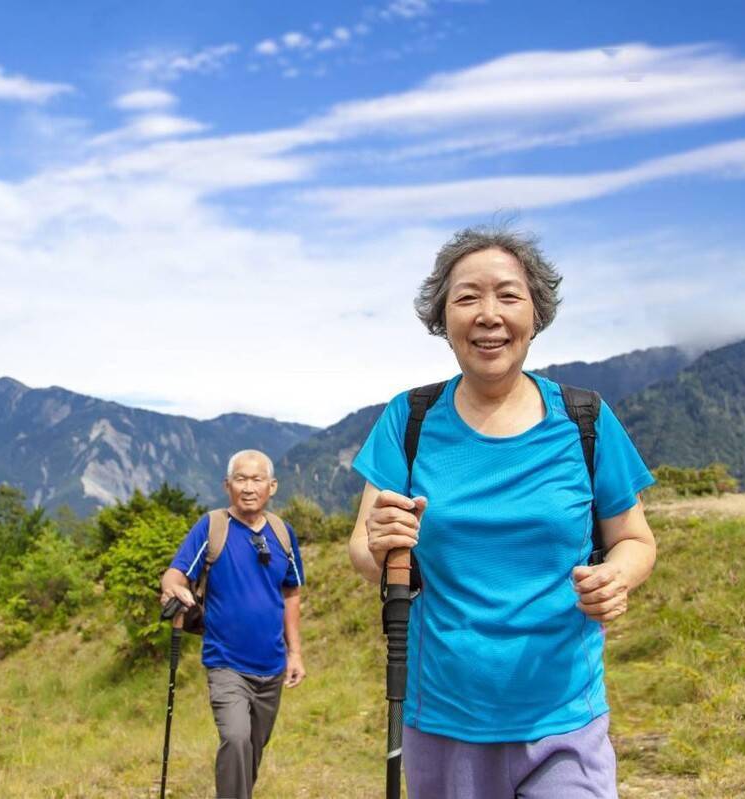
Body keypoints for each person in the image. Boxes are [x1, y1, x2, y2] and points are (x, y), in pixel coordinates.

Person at [347, 225, 657, 799]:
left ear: (536, 314)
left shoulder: (586, 421)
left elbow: (635, 538)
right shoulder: (408, 419)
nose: (488, 314)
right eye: (467, 297)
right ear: (442, 318)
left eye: (508, 295)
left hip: (566, 717)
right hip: (444, 719)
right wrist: (381, 541)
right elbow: (366, 551)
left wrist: (618, 575)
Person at [160, 449, 306, 799]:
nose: (248, 487)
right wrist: (171, 587)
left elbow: (291, 593)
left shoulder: (283, 534)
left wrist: (295, 653)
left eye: (256, 479)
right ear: (227, 485)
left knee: (251, 752)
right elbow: (177, 572)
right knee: (236, 739)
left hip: (271, 666)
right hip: (226, 664)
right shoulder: (212, 527)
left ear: (272, 486)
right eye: (240, 479)